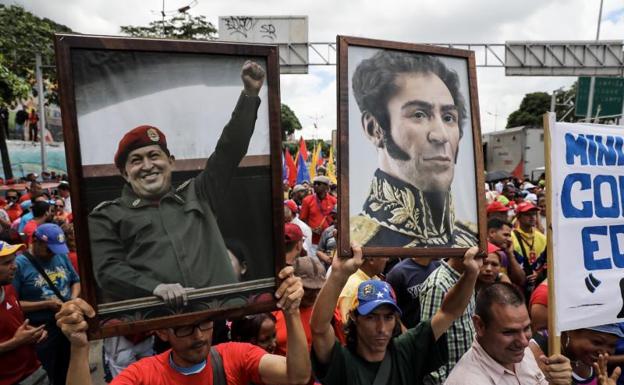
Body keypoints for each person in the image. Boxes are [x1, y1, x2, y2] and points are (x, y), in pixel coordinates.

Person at [88, 60, 266, 306]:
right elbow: (108, 271)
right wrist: (156, 288)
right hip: (168, 329)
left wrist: (249, 95)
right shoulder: (107, 216)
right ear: (125, 173)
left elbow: (229, 150)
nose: (148, 166)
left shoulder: (199, 193)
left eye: (154, 156)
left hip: (226, 317)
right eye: (136, 161)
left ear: (171, 162)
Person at [56, 266, 312, 385]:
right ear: (161, 331)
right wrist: (79, 347)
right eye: (185, 328)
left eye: (205, 324)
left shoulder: (234, 356)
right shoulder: (143, 375)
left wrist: (290, 311)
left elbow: (298, 376)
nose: (199, 336)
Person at [349, 51, 478, 248]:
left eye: (449, 117)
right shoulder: (357, 244)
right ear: (374, 128)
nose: (441, 135)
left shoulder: (471, 238)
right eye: (419, 114)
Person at [310, 245, 482, 385]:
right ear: (355, 318)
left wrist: (471, 274)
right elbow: (319, 328)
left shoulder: (406, 350)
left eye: (388, 317)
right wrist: (338, 274)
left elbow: (449, 312)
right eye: (371, 317)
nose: (381, 328)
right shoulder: (342, 362)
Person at [445, 282, 573, 385]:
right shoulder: (468, 380)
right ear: (479, 325)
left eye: (527, 328)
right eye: (509, 332)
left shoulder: (519, 353)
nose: (524, 342)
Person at [12, 223, 80, 385]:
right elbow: (15, 304)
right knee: (51, 372)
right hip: (43, 328)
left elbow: (75, 281)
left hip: (65, 321)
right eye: (49, 250)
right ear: (36, 241)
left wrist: (72, 299)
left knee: (72, 367)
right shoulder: (20, 265)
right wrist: (45, 304)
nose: (52, 254)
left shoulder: (60, 256)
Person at [419, 248, 481, 384]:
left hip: (465, 373)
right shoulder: (438, 284)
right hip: (446, 378)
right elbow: (428, 338)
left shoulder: (466, 278)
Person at [0, 240, 50, 385]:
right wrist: (16, 342)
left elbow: (15, 325)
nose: (14, 266)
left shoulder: (9, 288)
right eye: (6, 263)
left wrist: (31, 332)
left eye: (14, 260)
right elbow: (15, 338)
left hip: (34, 371)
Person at [530, 323, 623, 384]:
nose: (604, 353)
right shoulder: (534, 353)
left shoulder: (593, 363)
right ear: (570, 331)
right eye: (597, 342)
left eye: (612, 345)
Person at [386, 256, 440, 328]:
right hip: (410, 331)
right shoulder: (398, 273)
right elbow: (391, 309)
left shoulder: (438, 267)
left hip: (435, 329)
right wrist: (405, 333)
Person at [336, 254, 388, 323]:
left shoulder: (374, 279)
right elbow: (346, 325)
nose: (387, 259)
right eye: (384, 256)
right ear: (371, 259)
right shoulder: (354, 286)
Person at [512, 201, 547, 298]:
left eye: (534, 214)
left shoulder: (542, 238)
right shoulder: (511, 238)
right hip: (517, 287)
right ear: (518, 217)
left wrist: (538, 273)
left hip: (537, 285)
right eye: (527, 214)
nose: (532, 217)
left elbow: (546, 261)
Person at [487, 218, 526, 288]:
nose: (509, 239)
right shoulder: (479, 251)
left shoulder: (510, 252)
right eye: (505, 235)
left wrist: (510, 255)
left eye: (509, 236)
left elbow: (521, 280)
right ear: (492, 233)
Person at [300, 175, 337, 246]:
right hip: (313, 242)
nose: (316, 186)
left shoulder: (334, 201)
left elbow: (338, 220)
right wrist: (311, 230)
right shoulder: (307, 200)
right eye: (314, 184)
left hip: (329, 241)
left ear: (326, 187)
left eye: (319, 184)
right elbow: (302, 221)